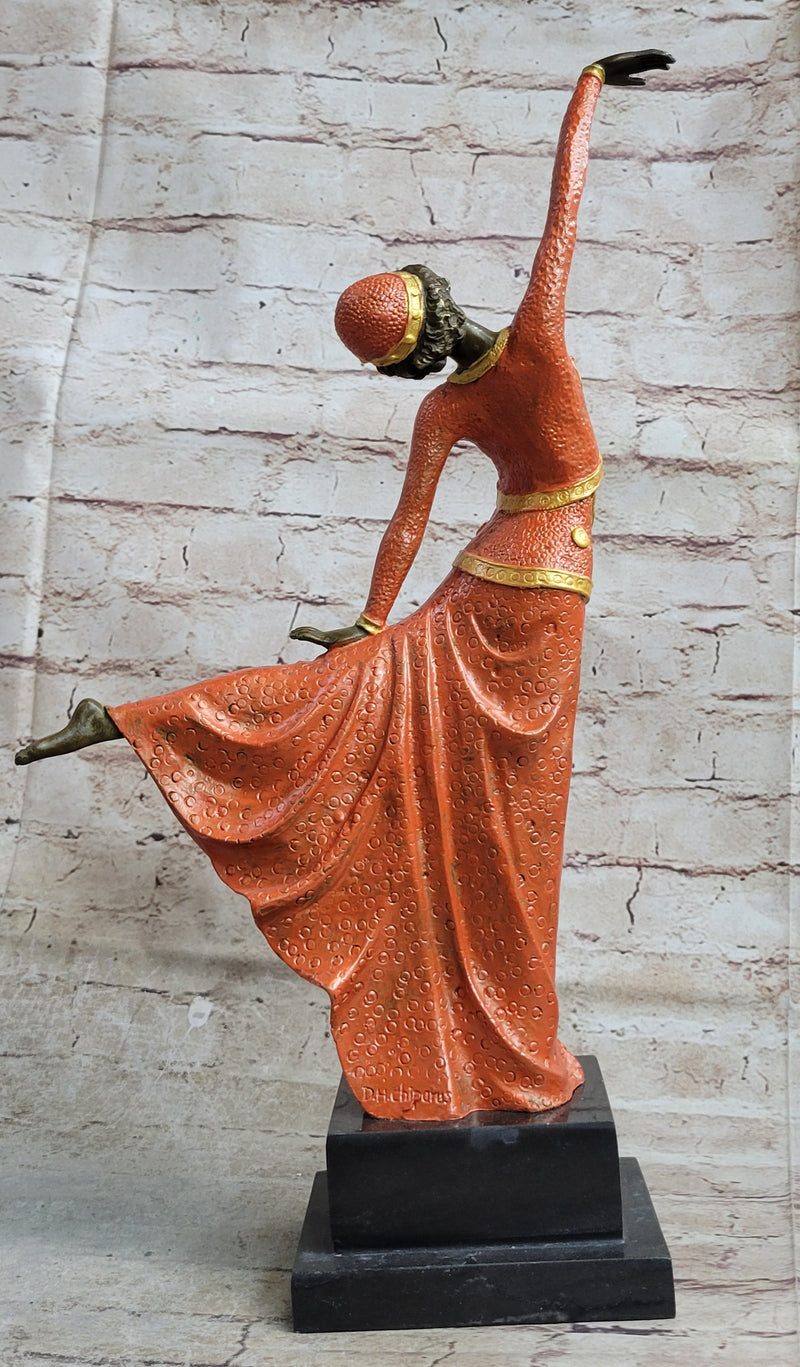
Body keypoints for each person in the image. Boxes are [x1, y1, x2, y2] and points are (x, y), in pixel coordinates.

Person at [15, 51, 674, 1121]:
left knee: (374, 722)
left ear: (408, 354)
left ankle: (142, 719)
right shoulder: (534, 344)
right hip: (537, 599)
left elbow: (408, 522)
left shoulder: (449, 405)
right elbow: (563, 215)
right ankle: (500, 1037)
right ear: (438, 297)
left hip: (486, 585)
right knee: (503, 815)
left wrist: (373, 617)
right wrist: (587, 87)